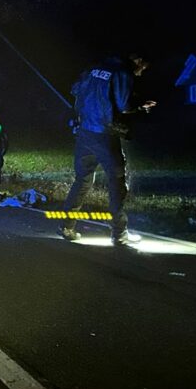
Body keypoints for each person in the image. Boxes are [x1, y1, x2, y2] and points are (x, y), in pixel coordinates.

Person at [60, 53, 156, 247]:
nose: (141, 73)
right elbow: (124, 105)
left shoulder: (95, 67)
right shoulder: (122, 72)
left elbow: (76, 90)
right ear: (137, 60)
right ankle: (119, 233)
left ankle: (66, 226)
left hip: (84, 132)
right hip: (104, 135)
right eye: (143, 68)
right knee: (117, 181)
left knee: (83, 180)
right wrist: (141, 106)